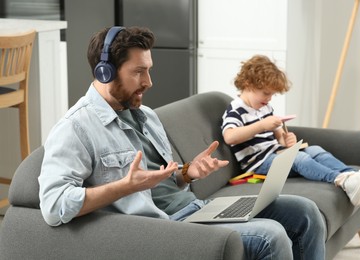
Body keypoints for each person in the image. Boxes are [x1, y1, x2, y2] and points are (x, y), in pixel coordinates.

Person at [38, 27, 326, 259]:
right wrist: (124, 187)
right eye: (139, 71)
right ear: (106, 72)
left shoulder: (146, 116)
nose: (149, 81)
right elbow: (53, 206)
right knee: (270, 236)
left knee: (305, 212)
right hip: (168, 228)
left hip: (196, 208)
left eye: (149, 70)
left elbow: (160, 183)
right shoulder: (75, 128)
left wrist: (186, 174)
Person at [221, 54, 360, 207]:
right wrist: (261, 125)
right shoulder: (235, 111)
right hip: (258, 165)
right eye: (266, 93)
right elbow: (230, 137)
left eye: (272, 95)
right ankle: (342, 181)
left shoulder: (265, 107)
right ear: (248, 84)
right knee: (298, 158)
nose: (269, 99)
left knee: (315, 150)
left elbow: (278, 135)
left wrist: (284, 139)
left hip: (276, 154)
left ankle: (355, 177)